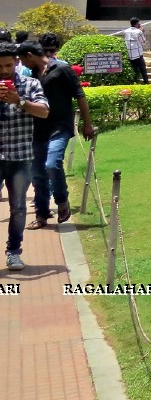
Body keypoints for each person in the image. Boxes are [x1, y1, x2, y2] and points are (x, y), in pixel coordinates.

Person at [18, 41, 95, 229]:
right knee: (37, 174)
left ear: (29, 55)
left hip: (60, 126)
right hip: (37, 129)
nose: (23, 65)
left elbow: (80, 95)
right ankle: (42, 214)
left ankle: (62, 201)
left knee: (52, 163)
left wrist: (88, 123)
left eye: (22, 60)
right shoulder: (34, 73)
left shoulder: (62, 69)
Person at [0, 41, 51, 270]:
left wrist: (18, 101)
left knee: (19, 207)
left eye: (8, 65)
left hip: (20, 157)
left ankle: (13, 252)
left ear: (16, 63)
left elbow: (44, 111)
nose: (3, 70)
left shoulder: (30, 84)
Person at [121, 17, 149, 84]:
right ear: (137, 24)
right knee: (143, 70)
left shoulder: (126, 31)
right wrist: (142, 31)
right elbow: (143, 42)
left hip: (130, 54)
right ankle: (146, 83)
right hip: (138, 54)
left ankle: (135, 82)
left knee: (134, 70)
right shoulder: (139, 32)